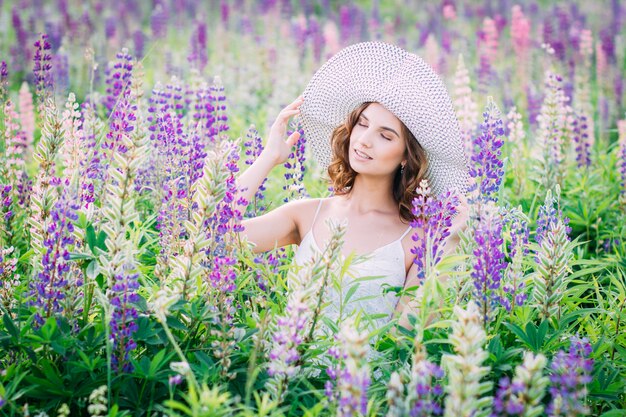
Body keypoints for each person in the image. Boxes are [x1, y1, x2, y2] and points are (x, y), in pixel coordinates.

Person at [236, 42, 469, 330]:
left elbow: (408, 336)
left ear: (406, 158)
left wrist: (450, 242)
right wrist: (268, 159)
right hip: (292, 370)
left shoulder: (415, 237)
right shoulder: (306, 214)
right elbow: (214, 237)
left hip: (367, 374)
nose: (364, 140)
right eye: (362, 123)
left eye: (385, 136)